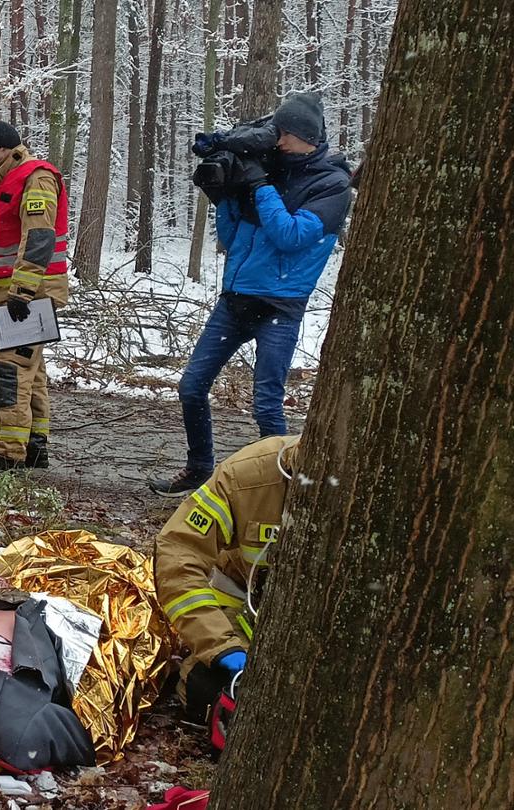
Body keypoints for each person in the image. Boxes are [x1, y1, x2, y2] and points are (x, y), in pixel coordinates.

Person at [150, 93, 351, 497]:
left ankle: (278, 493)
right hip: (237, 300)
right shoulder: (276, 170)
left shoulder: (333, 185)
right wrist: (224, 196)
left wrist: (259, 184)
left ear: (305, 136)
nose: (277, 142)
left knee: (267, 405)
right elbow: (231, 239)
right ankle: (199, 468)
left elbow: (289, 235)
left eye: (285, 135)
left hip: (280, 305)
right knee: (191, 386)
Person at [154, 435, 299, 721]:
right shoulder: (248, 476)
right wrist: (220, 645)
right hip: (246, 610)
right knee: (209, 690)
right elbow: (179, 553)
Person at [0, 121, 69, 469]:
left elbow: (39, 238)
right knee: (32, 370)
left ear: (0, 149)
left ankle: (7, 454)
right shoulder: (7, 183)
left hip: (28, 293)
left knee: (9, 368)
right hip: (17, 291)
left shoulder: (35, 178)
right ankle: (35, 444)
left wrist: (22, 290)